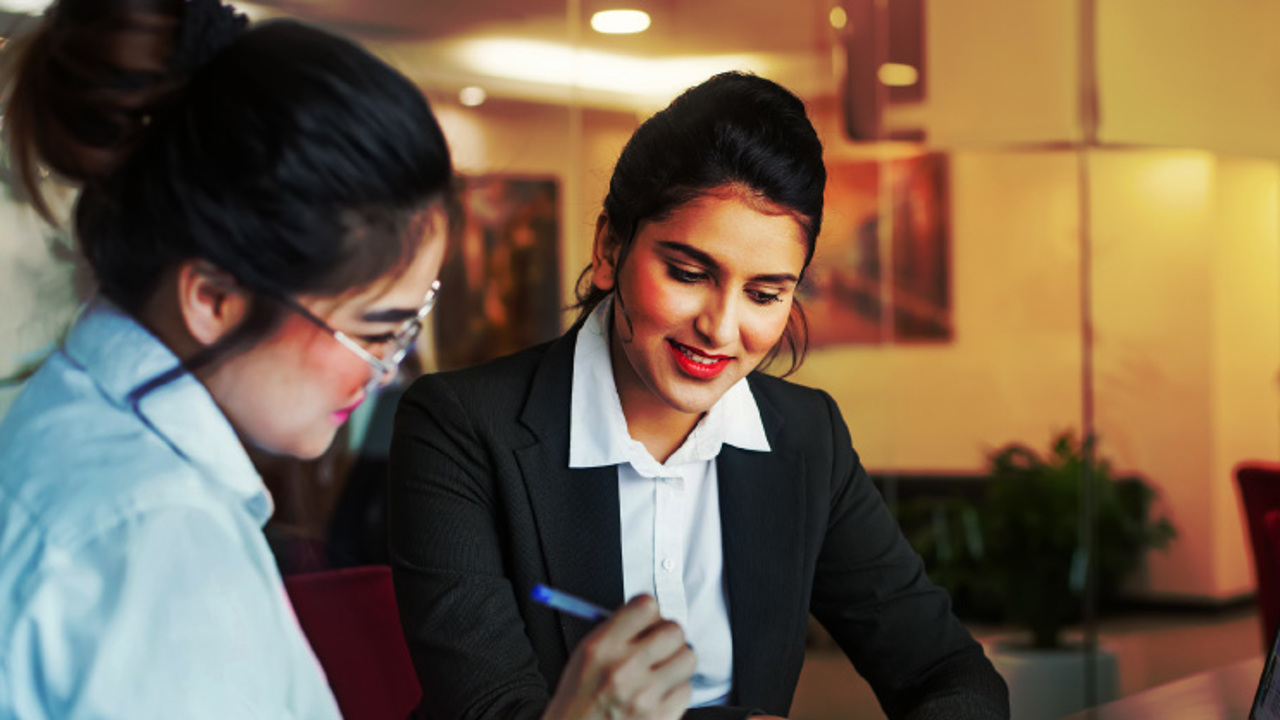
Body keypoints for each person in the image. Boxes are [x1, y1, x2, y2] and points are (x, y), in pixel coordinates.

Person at [0, 1, 691, 718]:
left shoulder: (74, 430)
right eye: (376, 329)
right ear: (213, 298)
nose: (388, 370)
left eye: (410, 326)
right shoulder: (157, 550)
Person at [389, 71, 1010, 720]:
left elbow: (951, 673)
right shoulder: (460, 428)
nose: (720, 327)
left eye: (766, 294)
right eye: (688, 273)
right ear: (609, 249)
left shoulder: (806, 436)